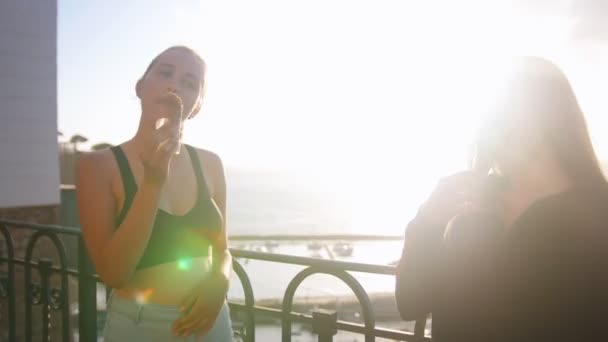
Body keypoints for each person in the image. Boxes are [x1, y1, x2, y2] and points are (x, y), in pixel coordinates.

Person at [395, 57, 608, 342]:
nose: (496, 128)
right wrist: (428, 220)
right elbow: (411, 301)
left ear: (552, 115)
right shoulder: (470, 209)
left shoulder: (597, 211)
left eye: (511, 111)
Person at [76, 46, 233, 341]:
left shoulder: (211, 164)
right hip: (138, 326)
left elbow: (222, 251)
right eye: (165, 73)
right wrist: (153, 182)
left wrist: (220, 282)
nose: (175, 84)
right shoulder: (97, 166)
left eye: (190, 82)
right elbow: (113, 274)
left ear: (197, 105)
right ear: (140, 87)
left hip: (211, 323)